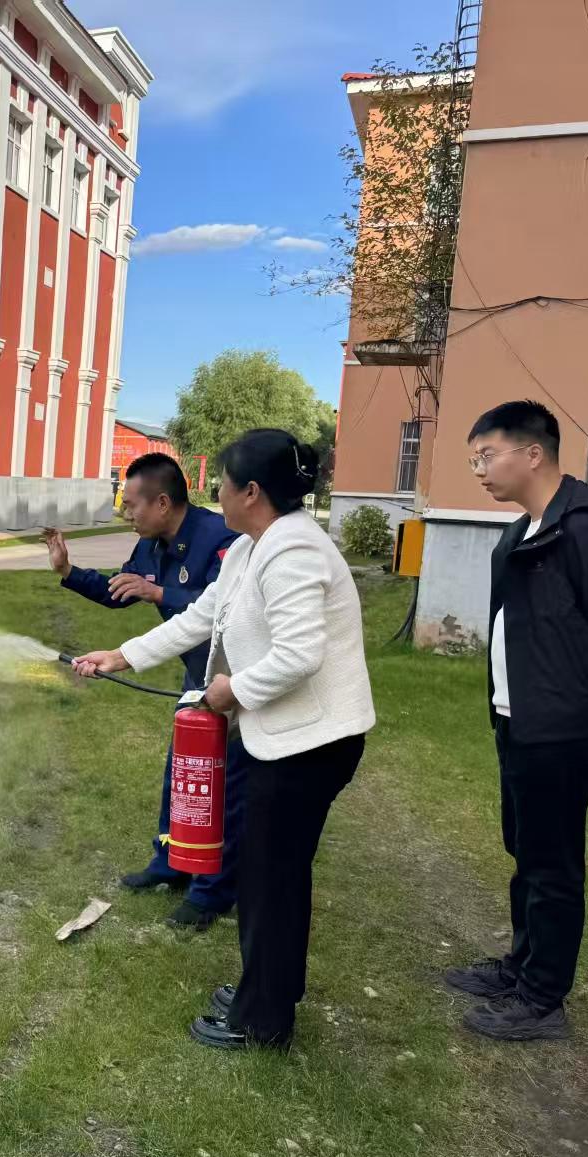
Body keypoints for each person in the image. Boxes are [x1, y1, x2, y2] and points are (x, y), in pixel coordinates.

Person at [73, 429, 374, 1050]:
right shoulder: (249, 548)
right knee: (268, 874)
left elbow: (299, 655)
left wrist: (228, 691)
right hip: (284, 739)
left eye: (224, 483)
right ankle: (265, 991)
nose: (216, 492)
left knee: (271, 879)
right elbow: (199, 617)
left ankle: (262, 1020)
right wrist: (121, 656)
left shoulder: (294, 550)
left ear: (252, 492)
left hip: (309, 747)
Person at [444, 400, 588, 1042]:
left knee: (554, 863)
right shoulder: (524, 530)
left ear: (533, 454)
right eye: (473, 460)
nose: (480, 470)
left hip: (562, 725)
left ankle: (542, 999)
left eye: (487, 455)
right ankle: (521, 966)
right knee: (526, 850)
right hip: (519, 717)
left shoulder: (583, 529)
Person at [44, 451, 244, 930]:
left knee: (222, 787)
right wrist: (69, 572)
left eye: (131, 504)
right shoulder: (150, 545)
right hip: (197, 678)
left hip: (236, 679)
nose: (125, 513)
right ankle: (170, 862)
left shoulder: (221, 539)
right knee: (183, 772)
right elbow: (121, 590)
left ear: (162, 502)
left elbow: (225, 610)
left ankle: (210, 894)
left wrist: (161, 594)